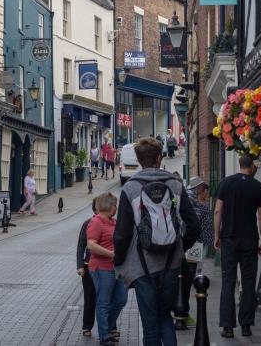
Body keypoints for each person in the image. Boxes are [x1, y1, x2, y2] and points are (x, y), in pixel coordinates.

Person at [114, 138, 200, 346]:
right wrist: (179, 246)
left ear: (139, 159)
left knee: (150, 323)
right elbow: (194, 226)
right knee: (165, 318)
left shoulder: (130, 189)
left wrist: (118, 260)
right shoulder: (175, 184)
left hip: (142, 268)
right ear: (159, 158)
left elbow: (122, 234)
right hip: (171, 264)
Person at [214, 155, 261, 338]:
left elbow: (217, 210)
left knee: (228, 282)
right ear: (251, 166)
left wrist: (216, 234)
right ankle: (246, 325)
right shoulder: (259, 187)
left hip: (229, 238)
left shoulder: (225, 183)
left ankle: (228, 327)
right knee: (248, 281)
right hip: (249, 240)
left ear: (240, 164)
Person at [87, 192, 127, 345]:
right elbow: (91, 244)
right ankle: (104, 336)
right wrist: (111, 254)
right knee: (103, 302)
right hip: (102, 268)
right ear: (109, 206)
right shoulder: (96, 222)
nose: (116, 208)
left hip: (117, 268)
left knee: (121, 300)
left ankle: (107, 328)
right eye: (115, 205)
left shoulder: (114, 222)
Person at [177, 176, 214, 331]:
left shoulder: (185, 199)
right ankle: (182, 315)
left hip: (185, 244)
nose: (205, 193)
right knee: (187, 279)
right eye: (204, 189)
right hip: (194, 245)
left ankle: (181, 314)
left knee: (183, 280)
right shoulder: (196, 203)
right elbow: (200, 228)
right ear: (199, 188)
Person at [77, 198, 98, 337]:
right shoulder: (88, 224)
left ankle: (111, 326)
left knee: (107, 299)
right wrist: (80, 266)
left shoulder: (114, 223)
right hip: (89, 266)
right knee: (89, 298)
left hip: (108, 267)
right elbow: (81, 246)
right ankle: (87, 326)